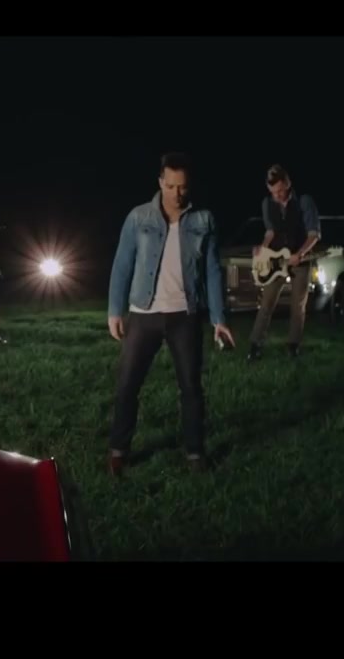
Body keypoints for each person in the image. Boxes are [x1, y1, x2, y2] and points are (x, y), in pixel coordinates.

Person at [106, 152, 235, 476]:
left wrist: (219, 319)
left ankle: (195, 453)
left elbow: (212, 270)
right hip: (143, 314)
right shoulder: (139, 217)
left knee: (190, 387)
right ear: (160, 182)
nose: (177, 193)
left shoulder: (204, 220)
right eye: (171, 186)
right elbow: (122, 264)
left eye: (183, 187)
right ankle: (118, 450)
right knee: (127, 385)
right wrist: (114, 311)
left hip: (184, 316)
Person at [246, 164, 321, 360]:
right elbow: (270, 231)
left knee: (298, 305)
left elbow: (314, 234)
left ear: (288, 183)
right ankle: (255, 345)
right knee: (267, 302)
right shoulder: (267, 203)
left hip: (300, 260)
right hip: (277, 260)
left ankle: (293, 346)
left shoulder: (304, 201)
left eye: (280, 191)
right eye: (273, 192)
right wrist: (262, 247)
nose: (277, 196)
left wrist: (300, 254)